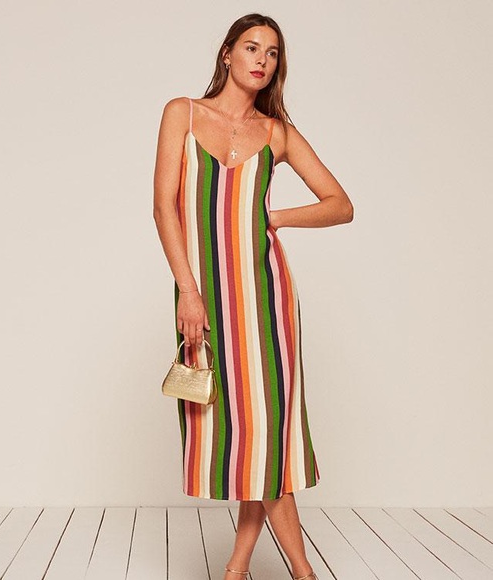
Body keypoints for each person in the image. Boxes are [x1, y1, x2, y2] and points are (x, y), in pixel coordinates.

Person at [153, 13, 353, 580]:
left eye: (272, 52)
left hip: (267, 302)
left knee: (263, 435)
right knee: (244, 436)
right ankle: (244, 567)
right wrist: (188, 291)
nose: (261, 60)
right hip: (204, 299)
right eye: (251, 47)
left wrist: (273, 217)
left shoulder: (276, 133)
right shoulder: (182, 113)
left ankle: (289, 571)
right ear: (227, 53)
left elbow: (340, 204)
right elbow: (164, 206)